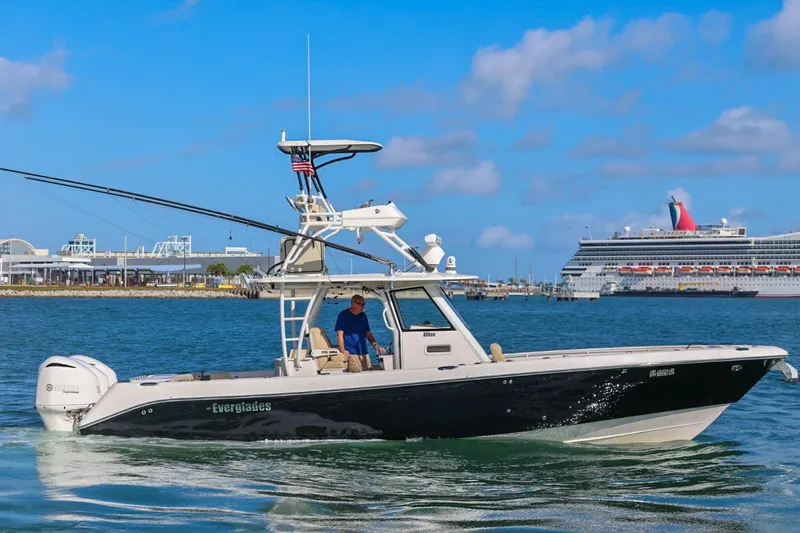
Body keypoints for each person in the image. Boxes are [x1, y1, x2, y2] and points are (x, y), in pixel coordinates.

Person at [335, 294, 385, 372]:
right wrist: (343, 350)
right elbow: (339, 334)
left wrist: (376, 346)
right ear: (353, 304)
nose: (363, 306)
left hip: (364, 352)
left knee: (368, 374)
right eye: (361, 304)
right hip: (352, 353)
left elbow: (368, 333)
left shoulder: (363, 316)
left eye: (364, 304)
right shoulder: (343, 315)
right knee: (357, 376)